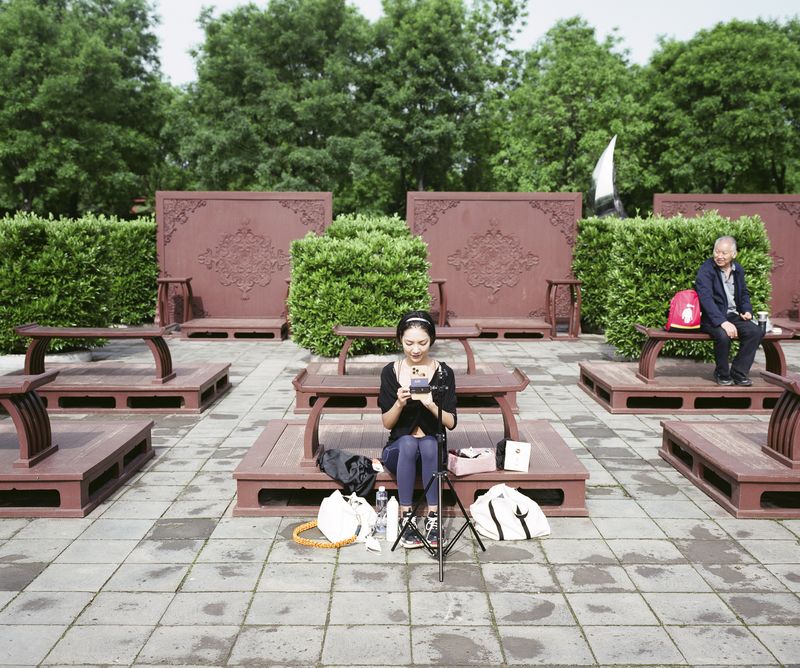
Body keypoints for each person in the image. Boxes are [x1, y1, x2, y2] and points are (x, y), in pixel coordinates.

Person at [377, 310, 457, 548]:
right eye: (409, 343)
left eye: (422, 343)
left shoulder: (443, 372)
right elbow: (387, 423)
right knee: (410, 443)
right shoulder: (391, 372)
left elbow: (451, 423)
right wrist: (399, 403)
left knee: (431, 443)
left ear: (431, 340)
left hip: (432, 453)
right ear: (400, 339)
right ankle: (406, 516)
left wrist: (431, 403)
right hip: (398, 452)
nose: (415, 349)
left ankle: (433, 517)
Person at [695, 235, 764, 386]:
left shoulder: (737, 269)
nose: (719, 256)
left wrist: (746, 310)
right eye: (716, 252)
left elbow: (744, 293)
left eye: (724, 253)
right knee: (723, 335)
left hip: (732, 315)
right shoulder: (706, 269)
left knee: (755, 332)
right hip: (711, 318)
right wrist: (722, 322)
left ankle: (738, 373)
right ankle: (722, 373)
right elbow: (705, 299)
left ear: (733, 254)